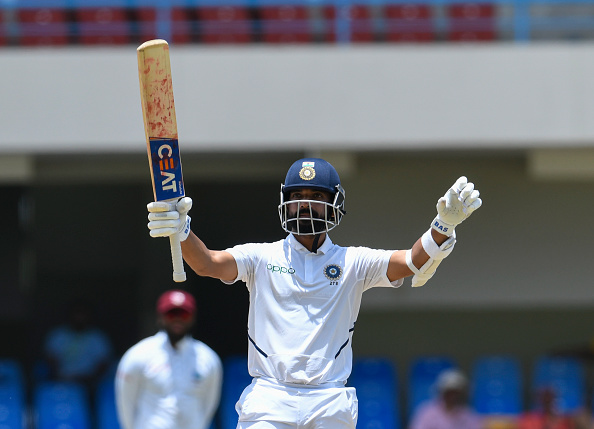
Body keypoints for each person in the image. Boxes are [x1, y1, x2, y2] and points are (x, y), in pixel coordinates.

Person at [146, 157, 482, 429]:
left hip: (329, 400)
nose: (304, 204)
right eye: (297, 196)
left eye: (316, 197)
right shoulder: (261, 257)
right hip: (269, 398)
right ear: (285, 202)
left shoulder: (353, 261)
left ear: (334, 203)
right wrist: (183, 230)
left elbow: (410, 262)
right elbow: (207, 263)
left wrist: (443, 225)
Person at [115, 289, 223, 429]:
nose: (178, 319)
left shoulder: (208, 358)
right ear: (160, 317)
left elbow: (209, 404)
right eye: (171, 314)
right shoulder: (138, 355)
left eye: (184, 314)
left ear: (193, 317)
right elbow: (126, 403)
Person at [43, 298, 114, 392]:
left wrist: (91, 380)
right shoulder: (58, 335)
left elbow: (103, 364)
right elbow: (50, 360)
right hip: (62, 381)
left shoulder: (98, 337)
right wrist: (61, 377)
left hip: (90, 384)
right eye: (77, 313)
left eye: (83, 314)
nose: (79, 317)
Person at [409, 368, 483, 429]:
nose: (453, 396)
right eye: (450, 392)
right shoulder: (426, 412)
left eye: (456, 393)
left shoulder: (469, 415)